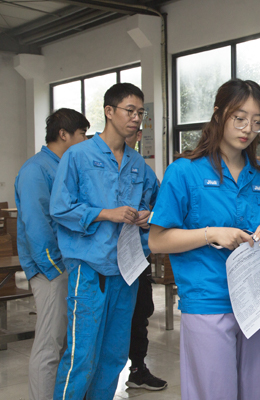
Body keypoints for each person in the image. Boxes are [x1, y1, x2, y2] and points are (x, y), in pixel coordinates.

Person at [148, 79, 260, 400]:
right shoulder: (184, 172)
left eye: (256, 122)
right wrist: (211, 234)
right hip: (209, 300)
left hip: (256, 300)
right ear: (218, 114)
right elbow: (157, 241)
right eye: (239, 118)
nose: (248, 129)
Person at [50, 83, 155, 400]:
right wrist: (105, 213)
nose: (136, 118)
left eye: (140, 113)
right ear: (109, 111)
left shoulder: (137, 163)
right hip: (90, 269)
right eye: (130, 111)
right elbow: (60, 208)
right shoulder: (78, 156)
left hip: (126, 270)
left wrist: (148, 215)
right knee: (81, 357)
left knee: (114, 356)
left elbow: (159, 201)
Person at [14, 108, 88, 400]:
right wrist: (55, 268)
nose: (85, 140)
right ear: (63, 134)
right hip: (51, 269)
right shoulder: (36, 170)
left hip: (69, 265)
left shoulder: (64, 166)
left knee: (65, 342)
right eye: (82, 134)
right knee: (49, 344)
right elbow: (36, 224)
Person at [123, 129, 167, 391]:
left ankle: (138, 368)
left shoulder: (144, 170)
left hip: (137, 256)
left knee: (140, 314)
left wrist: (149, 215)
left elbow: (163, 207)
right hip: (104, 258)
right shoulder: (92, 164)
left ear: (139, 135)